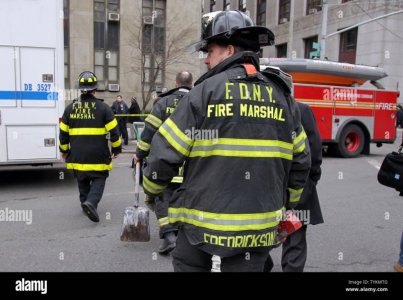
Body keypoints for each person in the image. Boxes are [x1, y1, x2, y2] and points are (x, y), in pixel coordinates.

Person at [142, 10, 311, 272]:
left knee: (188, 263)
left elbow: (163, 155)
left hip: (200, 229)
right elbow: (301, 161)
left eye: (209, 51)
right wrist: (288, 203)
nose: (207, 60)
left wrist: (152, 191)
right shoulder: (283, 97)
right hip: (259, 230)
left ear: (229, 49)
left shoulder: (203, 93)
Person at [136, 71, 193, 255]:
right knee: (185, 198)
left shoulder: (163, 102)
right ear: (191, 83)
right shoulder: (198, 101)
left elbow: (149, 132)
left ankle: (169, 235)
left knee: (161, 196)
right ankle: (184, 235)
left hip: (165, 162)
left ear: (176, 83)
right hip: (191, 166)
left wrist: (140, 154)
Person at [264, 102, 323, 272]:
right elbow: (314, 148)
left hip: (267, 185)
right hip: (299, 184)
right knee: (294, 238)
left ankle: (262, 263)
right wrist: (311, 180)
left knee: (259, 234)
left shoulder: (265, 109)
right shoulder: (301, 110)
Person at [59, 71, 121, 223]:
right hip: (98, 155)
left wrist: (64, 151)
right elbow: (115, 132)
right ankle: (91, 203)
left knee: (82, 179)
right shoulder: (104, 108)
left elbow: (63, 133)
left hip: (78, 156)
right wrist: (116, 149)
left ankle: (84, 203)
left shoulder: (70, 108)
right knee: (99, 178)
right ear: (95, 89)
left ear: (80, 89)